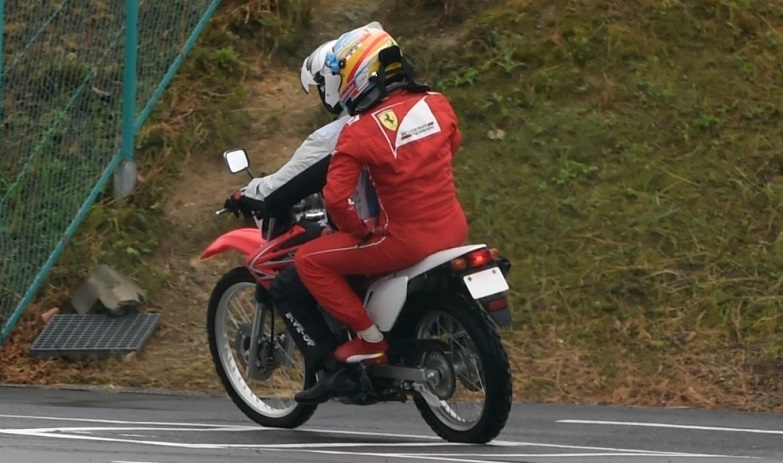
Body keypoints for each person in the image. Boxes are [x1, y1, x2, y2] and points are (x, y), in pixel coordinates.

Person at [293, 24, 468, 401]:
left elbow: (337, 200)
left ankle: (370, 340)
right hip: (453, 229)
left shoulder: (358, 131)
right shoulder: (437, 102)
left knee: (309, 260)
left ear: (357, 74)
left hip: (403, 241)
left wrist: (357, 231)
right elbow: (453, 144)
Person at [222, 35, 380, 377]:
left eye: (323, 85)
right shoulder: (399, 117)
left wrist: (244, 193)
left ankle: (336, 371)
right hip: (417, 226)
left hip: (369, 237)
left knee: (289, 284)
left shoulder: (335, 136)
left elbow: (280, 189)